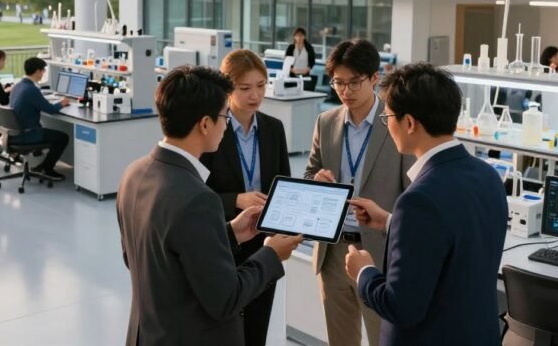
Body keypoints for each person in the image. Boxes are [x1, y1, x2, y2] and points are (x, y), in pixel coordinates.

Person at [116, 65, 303, 346]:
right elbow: (226, 299)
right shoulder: (198, 198)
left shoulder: (134, 172)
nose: (227, 124)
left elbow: (144, 258)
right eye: (224, 117)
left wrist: (229, 233)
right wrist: (271, 255)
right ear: (205, 124)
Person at [345, 63, 508, 346]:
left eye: (388, 118)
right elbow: (451, 235)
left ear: (409, 123)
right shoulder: (488, 176)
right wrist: (390, 221)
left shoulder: (418, 200)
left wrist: (363, 272)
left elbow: (401, 307)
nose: (387, 124)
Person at [303, 39, 413, 346]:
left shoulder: (397, 124)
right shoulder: (326, 122)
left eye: (354, 82)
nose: (345, 91)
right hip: (333, 251)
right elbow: (309, 173)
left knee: (384, 338)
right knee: (340, 340)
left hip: (380, 253)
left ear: (375, 78)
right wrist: (318, 180)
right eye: (338, 83)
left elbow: (411, 192)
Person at [199, 51, 292, 346]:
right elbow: (198, 195)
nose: (255, 95)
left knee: (257, 328)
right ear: (228, 88)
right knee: (223, 329)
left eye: (261, 86)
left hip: (264, 243)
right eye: (245, 88)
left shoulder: (273, 128)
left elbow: (284, 184)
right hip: (224, 240)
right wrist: (235, 200)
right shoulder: (211, 130)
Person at [8, 57, 70, 180]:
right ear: (37, 71)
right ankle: (47, 168)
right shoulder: (31, 90)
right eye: (43, 71)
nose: (43, 74)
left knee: (48, 130)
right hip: (27, 134)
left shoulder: (18, 86)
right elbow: (51, 110)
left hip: (13, 133)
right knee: (63, 137)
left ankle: (43, 165)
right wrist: (62, 103)